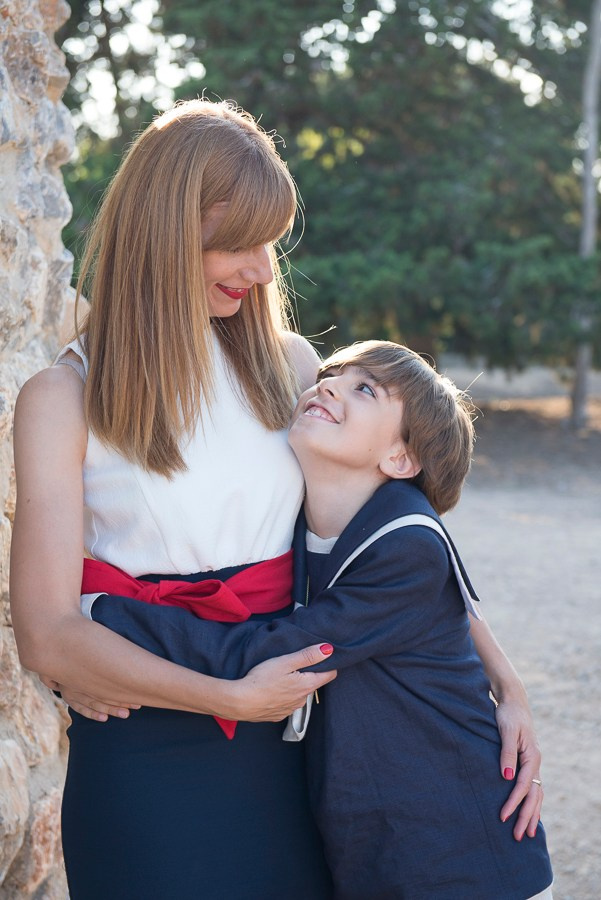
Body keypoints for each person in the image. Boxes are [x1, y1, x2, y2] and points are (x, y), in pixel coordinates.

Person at [9, 99, 542, 899]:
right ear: (164, 231)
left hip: (301, 739)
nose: (263, 269)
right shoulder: (64, 396)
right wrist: (227, 696)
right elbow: (47, 634)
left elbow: (392, 537)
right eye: (239, 242)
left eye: (270, 242)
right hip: (148, 745)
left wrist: (506, 683)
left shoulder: (289, 366)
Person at [89, 340, 554, 899]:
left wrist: (104, 617)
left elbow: (271, 654)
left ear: (400, 459)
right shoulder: (308, 528)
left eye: (365, 389)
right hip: (382, 853)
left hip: (462, 856)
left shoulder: (407, 546)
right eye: (332, 375)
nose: (327, 385)